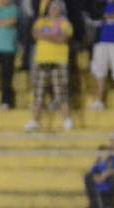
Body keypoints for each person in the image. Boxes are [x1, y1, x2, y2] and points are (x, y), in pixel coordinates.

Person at [24, 0, 73, 132]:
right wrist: (54, 37)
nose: (54, 9)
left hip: (59, 61)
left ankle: (67, 119)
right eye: (52, 7)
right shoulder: (40, 22)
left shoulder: (65, 23)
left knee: (62, 92)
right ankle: (35, 121)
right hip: (42, 60)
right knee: (38, 93)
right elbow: (35, 34)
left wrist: (45, 36)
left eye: (56, 7)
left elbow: (63, 38)